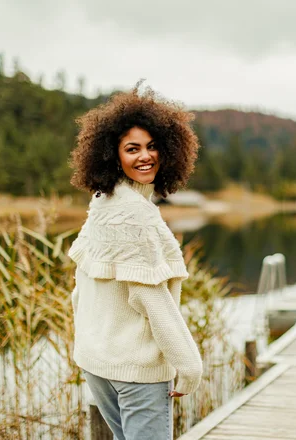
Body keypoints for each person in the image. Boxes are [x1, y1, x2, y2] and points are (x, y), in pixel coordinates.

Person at [67, 83, 203, 440]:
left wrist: (90, 342)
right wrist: (189, 367)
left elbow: (79, 291)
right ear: (113, 156)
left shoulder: (104, 202)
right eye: (132, 149)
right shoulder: (134, 214)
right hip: (135, 373)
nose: (146, 156)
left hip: (98, 364)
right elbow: (152, 300)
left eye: (153, 146)